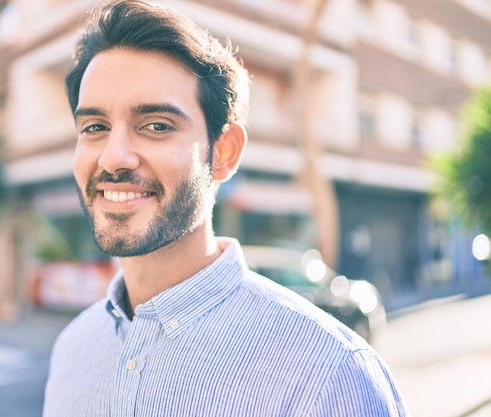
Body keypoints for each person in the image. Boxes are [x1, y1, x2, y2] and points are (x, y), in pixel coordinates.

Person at [43, 1, 410, 416]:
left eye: (156, 126)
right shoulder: (71, 349)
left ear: (224, 152)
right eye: (95, 128)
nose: (114, 157)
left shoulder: (329, 374)